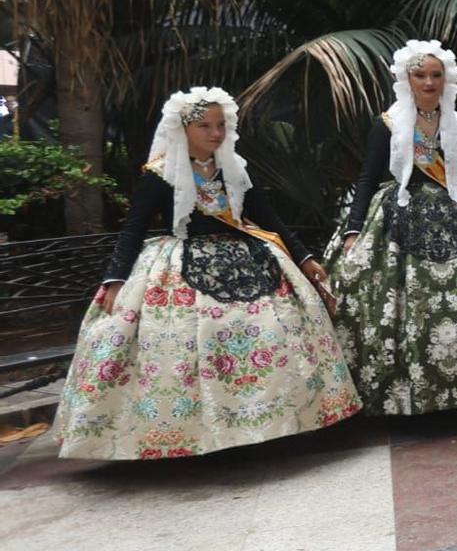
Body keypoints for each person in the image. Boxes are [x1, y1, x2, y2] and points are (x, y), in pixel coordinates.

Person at [54, 88, 361, 460]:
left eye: (220, 125)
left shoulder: (234, 169)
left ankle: (273, 419)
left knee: (273, 328)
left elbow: (269, 219)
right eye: (205, 126)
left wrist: (304, 256)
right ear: (182, 129)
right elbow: (133, 229)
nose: (215, 133)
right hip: (178, 267)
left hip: (251, 262)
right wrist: (116, 279)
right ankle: (203, 432)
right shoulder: (159, 174)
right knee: (191, 339)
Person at [328, 40, 457, 416]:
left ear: (447, 79)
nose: (428, 82)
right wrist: (354, 228)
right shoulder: (387, 124)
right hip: (399, 215)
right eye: (420, 74)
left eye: (436, 75)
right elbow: (367, 177)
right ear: (406, 78)